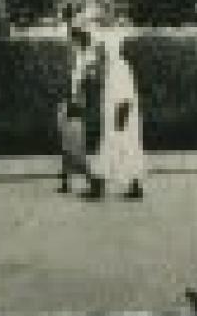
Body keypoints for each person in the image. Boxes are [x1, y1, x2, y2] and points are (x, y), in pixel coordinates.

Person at [84, 31, 145, 200]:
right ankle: (133, 185)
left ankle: (98, 187)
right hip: (118, 119)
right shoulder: (113, 67)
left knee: (114, 150)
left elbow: (125, 97)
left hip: (120, 119)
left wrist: (119, 123)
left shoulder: (119, 68)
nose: (99, 53)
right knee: (125, 151)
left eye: (101, 49)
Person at [57, 21, 94, 194]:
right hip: (70, 102)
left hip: (76, 104)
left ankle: (93, 180)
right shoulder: (77, 59)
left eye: (72, 39)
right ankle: (66, 180)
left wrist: (75, 101)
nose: (70, 43)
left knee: (74, 144)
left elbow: (85, 85)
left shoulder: (86, 59)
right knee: (66, 142)